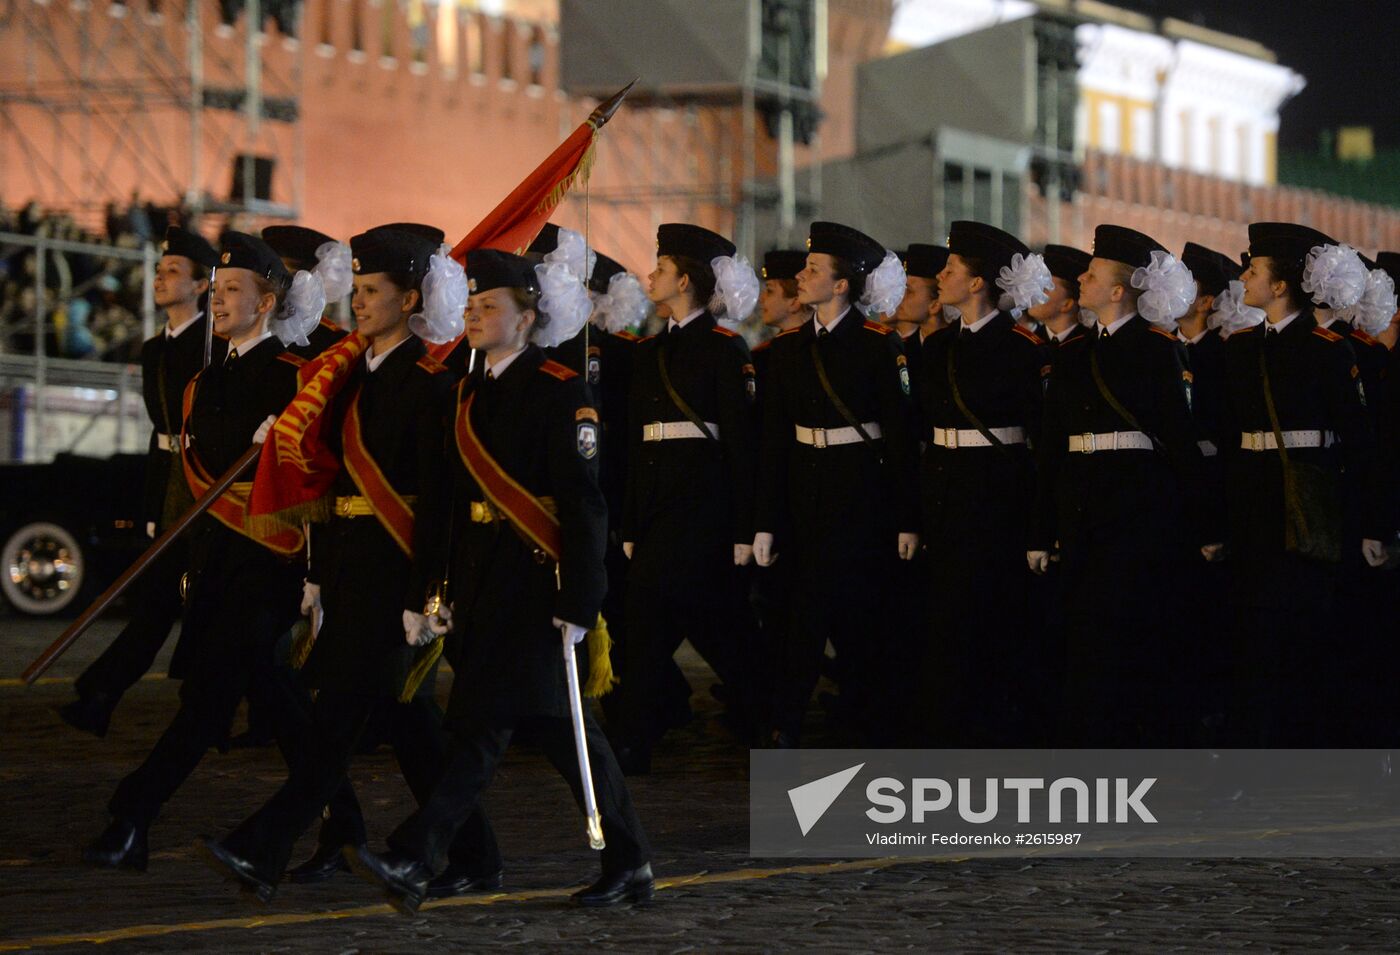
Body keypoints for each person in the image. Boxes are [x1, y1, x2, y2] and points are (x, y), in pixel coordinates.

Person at [195, 226, 502, 902]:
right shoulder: (347, 371)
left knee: (338, 721)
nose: (357, 304)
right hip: (351, 565)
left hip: (396, 572)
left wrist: (426, 595)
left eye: (371, 292)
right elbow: (334, 484)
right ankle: (477, 851)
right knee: (406, 723)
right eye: (356, 290)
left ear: (410, 298)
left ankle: (263, 846)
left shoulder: (430, 380)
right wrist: (316, 574)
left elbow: (439, 500)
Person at [346, 249, 652, 913]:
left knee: (483, 731)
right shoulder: (466, 392)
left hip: (539, 589)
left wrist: (582, 600)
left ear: (528, 317)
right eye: (473, 305)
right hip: (485, 585)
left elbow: (583, 506)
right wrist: (432, 591)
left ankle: (416, 852)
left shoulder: (562, 391)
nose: (476, 316)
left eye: (491, 307)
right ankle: (627, 860)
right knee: (562, 737)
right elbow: (447, 508)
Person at [82, 232, 311, 871]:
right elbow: (194, 478)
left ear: (266, 303)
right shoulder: (204, 383)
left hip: (266, 566)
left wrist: (285, 438)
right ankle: (340, 824)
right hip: (216, 563)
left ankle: (132, 816)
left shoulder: (292, 378)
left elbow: (312, 476)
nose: (220, 298)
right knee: (285, 710)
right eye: (220, 288)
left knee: (208, 702)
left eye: (234, 289)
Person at [1029, 224, 1218, 747]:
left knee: (1132, 636)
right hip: (1081, 515)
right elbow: (1052, 450)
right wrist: (1042, 531)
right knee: (1083, 637)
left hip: (1137, 517)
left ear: (1118, 291)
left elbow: (1180, 442)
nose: (1081, 280)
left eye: (1092, 275)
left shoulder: (1158, 349)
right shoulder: (1071, 354)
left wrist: (1203, 524)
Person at [753, 221, 919, 746]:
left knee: (858, 617)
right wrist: (765, 521)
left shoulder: (877, 344)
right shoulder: (786, 349)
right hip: (804, 492)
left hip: (860, 494)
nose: (802, 277)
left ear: (842, 285)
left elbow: (899, 439)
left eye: (814, 270)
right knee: (798, 616)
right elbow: (774, 443)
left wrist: (905, 520)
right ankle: (786, 723)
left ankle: (867, 720)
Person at [1222, 223, 1388, 746]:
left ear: (1280, 286)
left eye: (1254, 271)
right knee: (1249, 633)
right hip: (1252, 503)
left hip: (1305, 507)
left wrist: (1370, 524)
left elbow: (1359, 446)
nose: (1243, 278)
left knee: (1299, 633)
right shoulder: (1240, 347)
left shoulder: (1327, 349)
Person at [60, 227, 223, 738]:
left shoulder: (215, 346)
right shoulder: (155, 349)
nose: (159, 279)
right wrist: (154, 506)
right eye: (158, 270)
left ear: (201, 286)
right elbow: (161, 435)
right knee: (158, 601)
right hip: (168, 482)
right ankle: (101, 694)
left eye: (173, 271)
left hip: (206, 484)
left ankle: (104, 692)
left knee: (179, 604)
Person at [615, 223, 760, 772]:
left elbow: (742, 447)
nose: (650, 277)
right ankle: (633, 743)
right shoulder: (650, 351)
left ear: (686, 281)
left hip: (705, 515)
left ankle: (768, 717)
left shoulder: (725, 348)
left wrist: (746, 529)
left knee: (724, 633)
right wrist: (630, 523)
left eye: (661, 270)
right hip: (656, 514)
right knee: (644, 631)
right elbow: (636, 442)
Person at [914, 222, 1050, 746]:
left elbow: (1040, 441)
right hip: (944, 491)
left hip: (997, 497)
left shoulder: (1022, 347)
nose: (941, 277)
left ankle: (995, 726)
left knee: (991, 620)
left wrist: (1038, 524)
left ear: (978, 284)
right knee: (942, 617)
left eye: (951, 270)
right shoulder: (939, 344)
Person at [1175, 241, 1242, 742]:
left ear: (1205, 301)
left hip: (1211, 490)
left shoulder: (1226, 356)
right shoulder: (1163, 347)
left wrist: (1216, 522)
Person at [262, 225, 352, 359]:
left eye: (291, 277)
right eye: (272, 276)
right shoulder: (246, 324)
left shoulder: (337, 345)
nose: (279, 287)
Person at [1029, 244, 1092, 359]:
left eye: (1045, 288)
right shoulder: (1028, 343)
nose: (1033, 292)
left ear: (1067, 304)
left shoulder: (1090, 347)